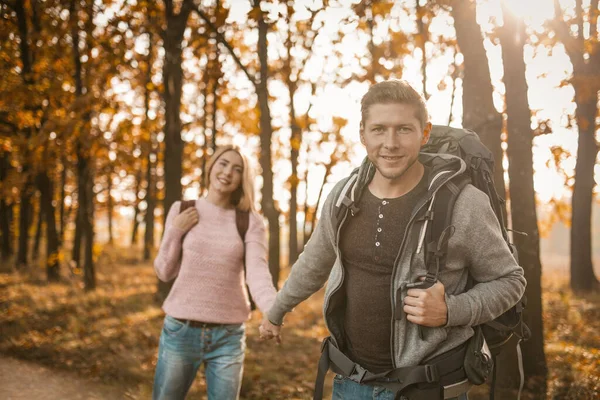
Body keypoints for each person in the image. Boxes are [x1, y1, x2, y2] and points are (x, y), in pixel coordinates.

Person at [259, 80, 526, 400]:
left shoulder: (463, 204)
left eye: (403, 129)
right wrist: (276, 312)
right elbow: (314, 262)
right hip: (350, 383)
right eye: (379, 129)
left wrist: (451, 310)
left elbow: (510, 281)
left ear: (424, 133)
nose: (390, 143)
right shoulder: (343, 196)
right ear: (363, 133)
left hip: (427, 389)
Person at [152, 145, 277, 400]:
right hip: (180, 331)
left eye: (237, 169)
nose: (228, 172)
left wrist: (273, 310)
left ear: (243, 179)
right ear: (211, 166)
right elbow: (164, 272)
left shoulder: (250, 221)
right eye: (223, 163)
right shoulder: (182, 209)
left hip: (227, 337)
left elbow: (257, 272)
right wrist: (175, 230)